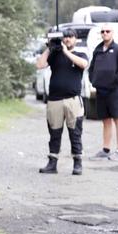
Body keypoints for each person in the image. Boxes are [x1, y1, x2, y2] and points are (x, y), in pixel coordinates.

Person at [36, 28, 88, 175]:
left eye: (70, 37)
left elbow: (83, 64)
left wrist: (66, 51)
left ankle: (77, 163)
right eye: (65, 37)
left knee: (75, 133)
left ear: (76, 39)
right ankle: (52, 163)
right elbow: (39, 65)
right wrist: (49, 48)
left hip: (73, 101)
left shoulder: (80, 54)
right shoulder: (55, 55)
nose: (67, 39)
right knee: (54, 132)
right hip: (54, 100)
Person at [88, 24, 118, 161]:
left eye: (107, 31)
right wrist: (93, 80)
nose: (105, 33)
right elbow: (91, 67)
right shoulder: (98, 50)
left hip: (115, 91)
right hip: (101, 91)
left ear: (112, 33)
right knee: (106, 120)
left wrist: (114, 82)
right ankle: (106, 149)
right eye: (102, 31)